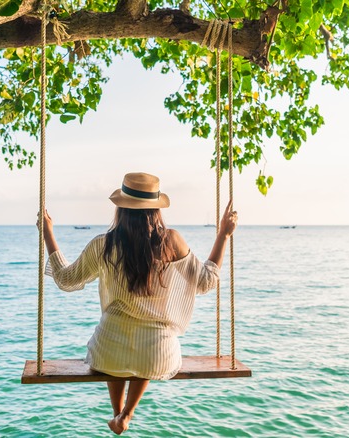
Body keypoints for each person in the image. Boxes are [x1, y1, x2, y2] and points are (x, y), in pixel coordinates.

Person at [39, 172, 238, 435]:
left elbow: (65, 279)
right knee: (149, 344)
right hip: (158, 356)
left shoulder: (104, 245)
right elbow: (205, 282)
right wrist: (223, 234)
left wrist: (48, 233)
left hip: (107, 352)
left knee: (116, 340)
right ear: (156, 209)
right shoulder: (172, 242)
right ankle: (127, 413)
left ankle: (118, 414)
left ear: (121, 208)